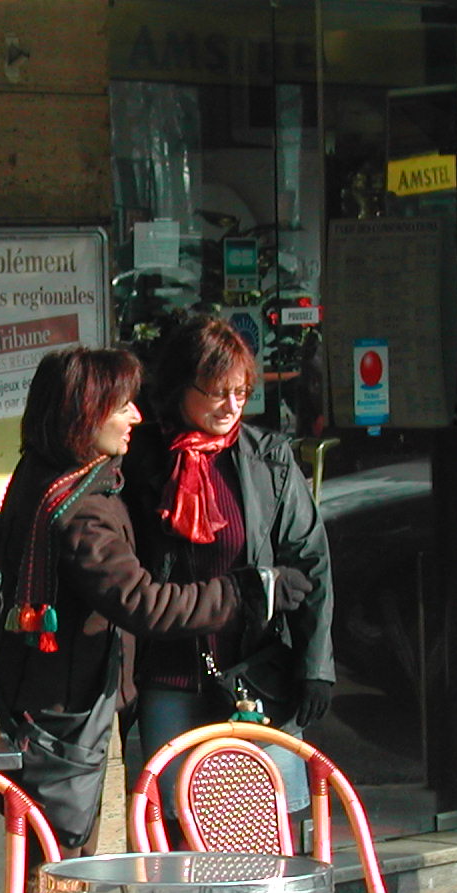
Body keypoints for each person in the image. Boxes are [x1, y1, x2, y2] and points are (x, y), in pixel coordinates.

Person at [0, 344, 309, 857]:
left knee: (51, 855)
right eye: (122, 406)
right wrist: (246, 591)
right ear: (86, 413)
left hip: (41, 692)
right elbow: (144, 603)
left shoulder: (47, 474)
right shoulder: (82, 507)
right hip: (67, 706)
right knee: (61, 864)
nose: (136, 417)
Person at [121, 315, 333, 787]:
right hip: (170, 676)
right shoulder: (139, 460)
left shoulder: (269, 458)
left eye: (241, 392)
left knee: (264, 814)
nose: (231, 406)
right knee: (177, 814)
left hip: (253, 675)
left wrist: (316, 667)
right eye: (217, 392)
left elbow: (310, 561)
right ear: (180, 386)